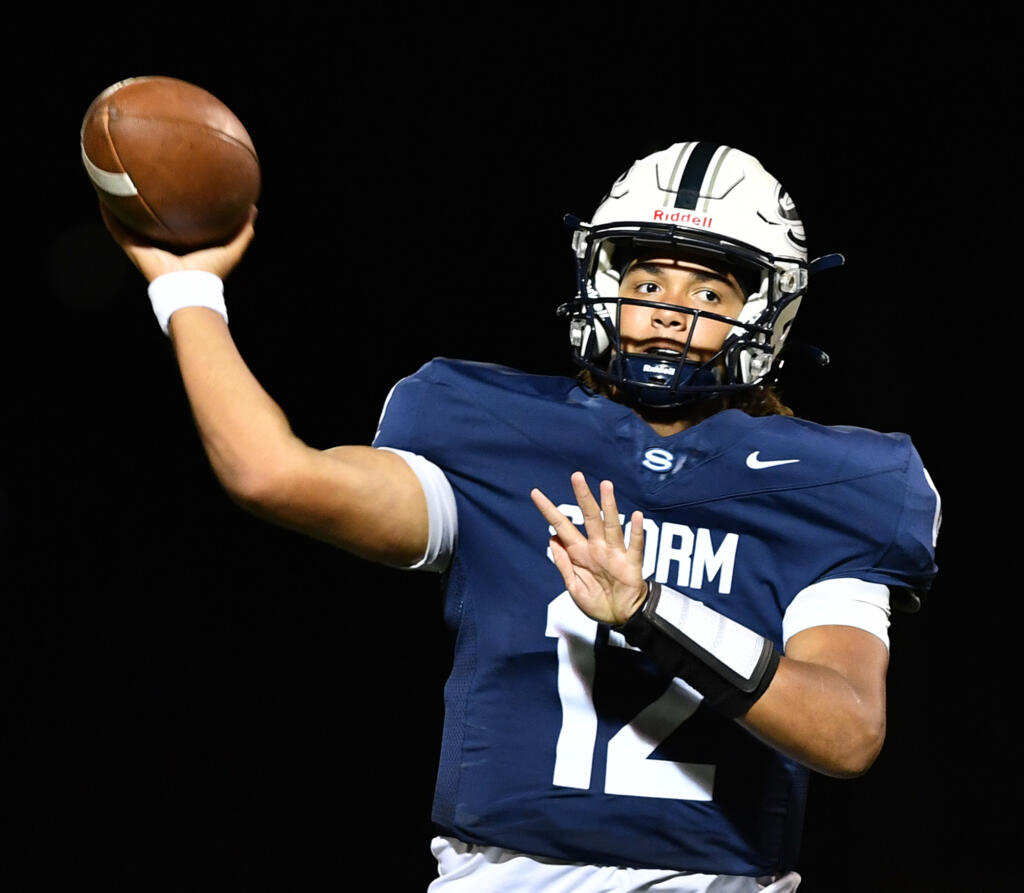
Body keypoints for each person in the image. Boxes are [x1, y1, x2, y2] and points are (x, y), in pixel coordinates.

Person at [101, 141, 940, 891]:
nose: (668, 311)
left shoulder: (832, 482)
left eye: (709, 289)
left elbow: (849, 730)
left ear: (766, 311)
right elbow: (271, 474)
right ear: (600, 283)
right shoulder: (496, 435)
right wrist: (187, 288)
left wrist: (652, 611)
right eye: (645, 279)